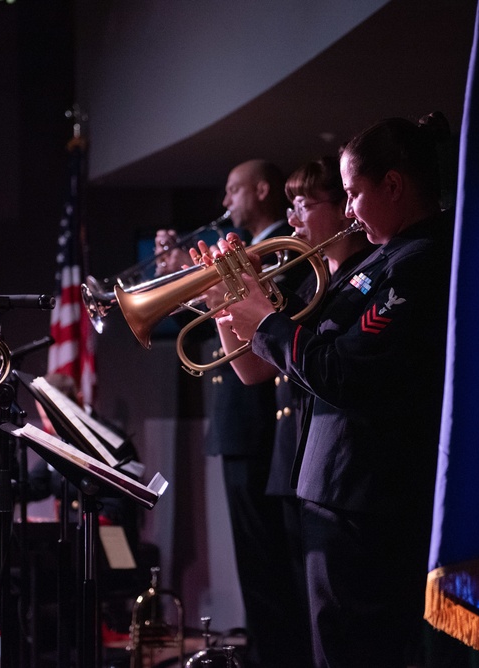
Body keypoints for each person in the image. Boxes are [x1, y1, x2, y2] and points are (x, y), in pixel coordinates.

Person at [215, 116, 455, 667]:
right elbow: (277, 360)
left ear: (393, 186)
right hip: (338, 491)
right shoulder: (376, 262)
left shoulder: (418, 264)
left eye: (353, 194)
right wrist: (235, 294)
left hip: (369, 496)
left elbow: (341, 371)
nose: (348, 211)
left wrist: (265, 322)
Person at [154, 159, 311, 668]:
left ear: (260, 190)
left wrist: (222, 287)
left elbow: (271, 326)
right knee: (257, 567)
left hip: (266, 421)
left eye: (233, 191)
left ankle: (279, 657)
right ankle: (269, 655)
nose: (225, 203)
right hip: (239, 419)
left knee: (272, 567)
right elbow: (208, 334)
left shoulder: (282, 250)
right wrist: (185, 287)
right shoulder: (247, 252)